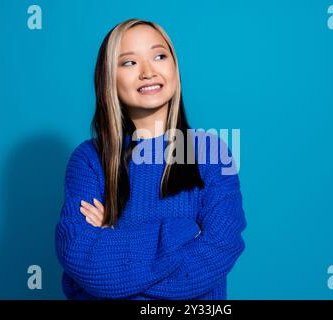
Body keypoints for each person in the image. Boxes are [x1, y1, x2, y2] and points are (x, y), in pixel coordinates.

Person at [54, 18, 247, 300]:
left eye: (159, 56)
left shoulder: (211, 153)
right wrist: (178, 233)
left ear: (174, 67)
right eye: (129, 63)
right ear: (109, 77)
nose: (148, 72)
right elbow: (77, 251)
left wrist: (111, 241)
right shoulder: (89, 159)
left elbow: (221, 248)